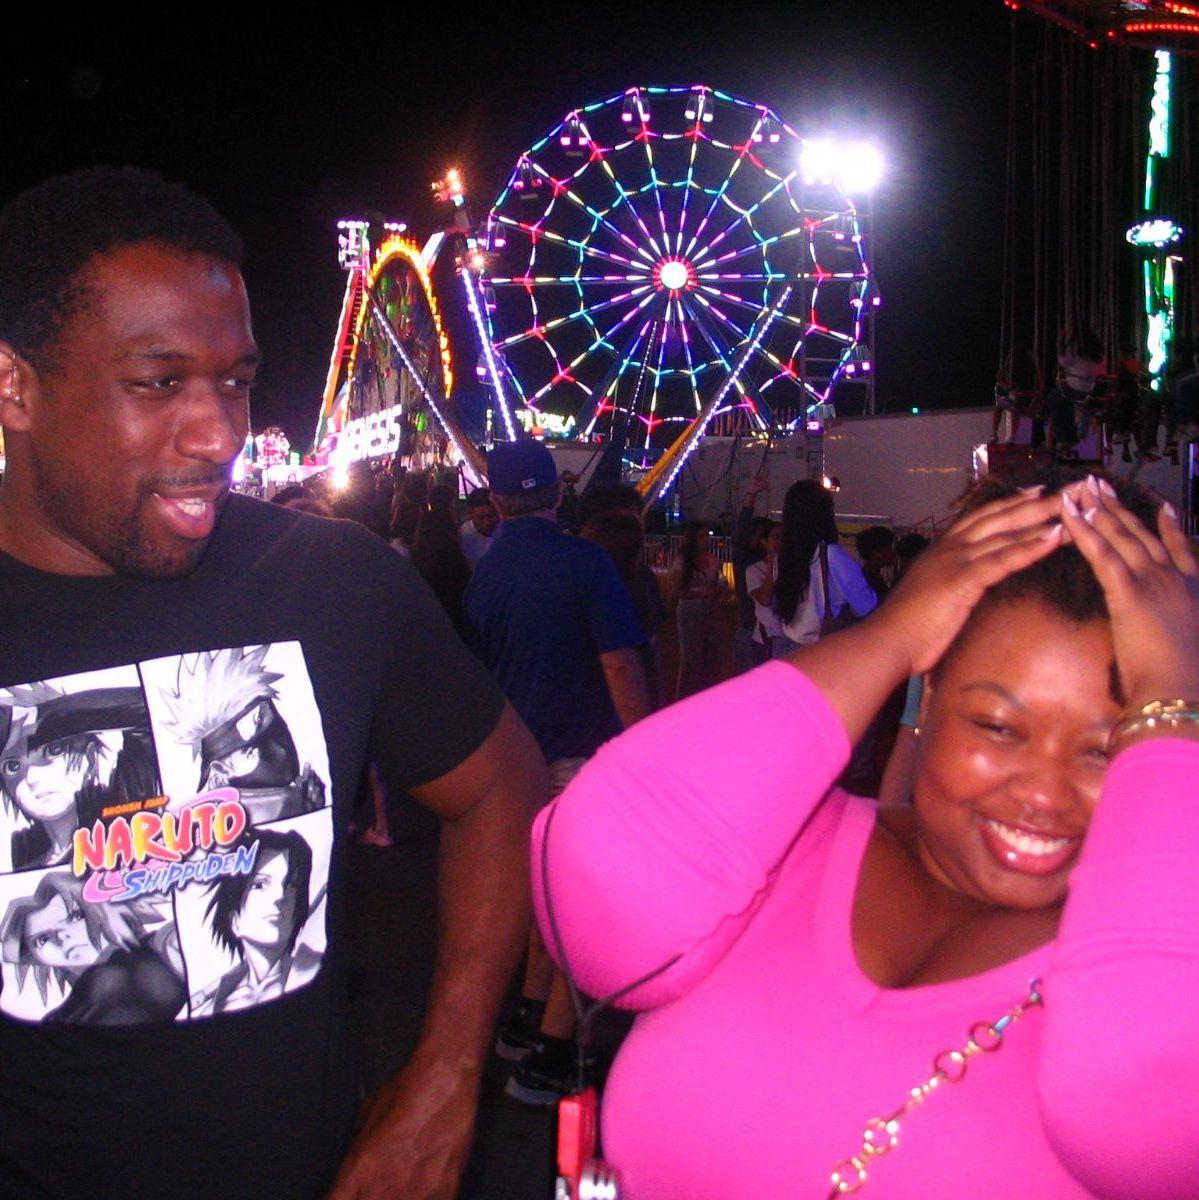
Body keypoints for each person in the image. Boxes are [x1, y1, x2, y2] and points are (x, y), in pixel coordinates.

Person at [0, 166, 543, 1200]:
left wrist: (443, 1078)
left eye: (237, 380)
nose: (219, 435)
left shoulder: (330, 580)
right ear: (15, 385)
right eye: (158, 383)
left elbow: (500, 787)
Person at [531, 470, 1199, 1197]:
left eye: (1107, 748)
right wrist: (892, 634)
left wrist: (1176, 697)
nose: (1041, 793)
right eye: (997, 727)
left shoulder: (1156, 956)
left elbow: (1149, 1115)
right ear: (930, 694)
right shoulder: (778, 843)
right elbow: (593, 908)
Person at [464, 439, 651, 1105]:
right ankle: (553, 1053)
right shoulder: (584, 561)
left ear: (495, 499)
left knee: (541, 895)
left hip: (514, 762)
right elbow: (619, 665)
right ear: (556, 492)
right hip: (580, 757)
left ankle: (526, 1014)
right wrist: (643, 751)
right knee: (576, 909)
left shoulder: (485, 570)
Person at [767, 478, 876, 653]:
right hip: (820, 650)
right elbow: (866, 605)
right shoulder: (832, 554)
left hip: (785, 644)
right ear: (823, 514)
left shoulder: (784, 555)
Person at [671, 521, 729, 698]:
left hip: (710, 611)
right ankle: (685, 697)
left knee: (711, 655)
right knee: (690, 658)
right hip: (690, 612)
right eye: (701, 536)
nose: (705, 540)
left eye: (707, 535)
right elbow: (676, 591)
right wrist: (705, 594)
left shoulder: (713, 560)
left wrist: (720, 591)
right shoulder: (682, 561)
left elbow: (721, 583)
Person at [460, 486, 500, 567]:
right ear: (470, 513)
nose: (487, 522)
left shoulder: (506, 532)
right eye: (480, 517)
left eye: (491, 516)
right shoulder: (461, 538)